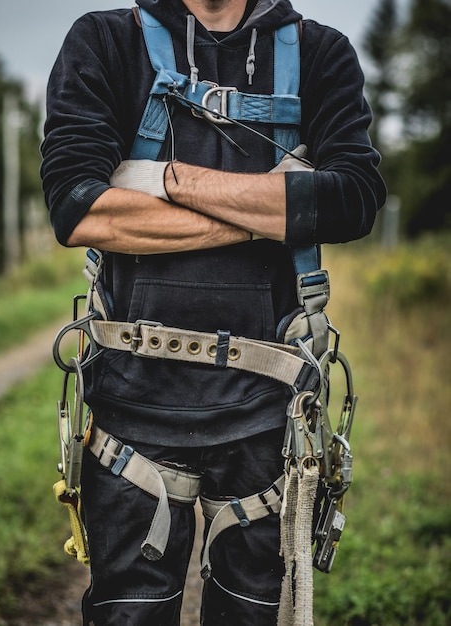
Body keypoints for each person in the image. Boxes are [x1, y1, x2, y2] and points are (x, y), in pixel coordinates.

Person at [40, 0, 386, 623]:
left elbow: (351, 200)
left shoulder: (321, 54)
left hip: (271, 418)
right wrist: (277, 206)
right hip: (131, 411)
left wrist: (164, 180)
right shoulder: (105, 41)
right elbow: (79, 207)